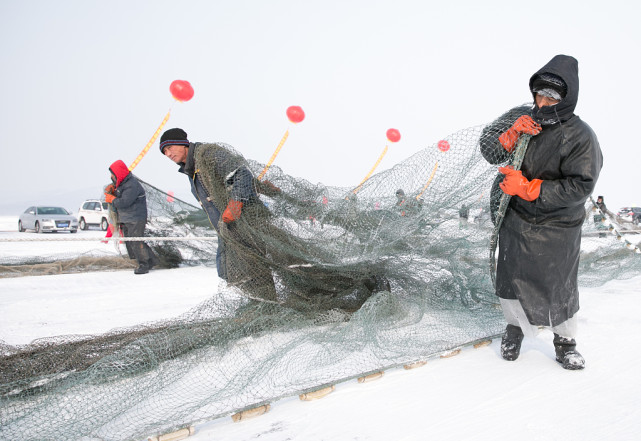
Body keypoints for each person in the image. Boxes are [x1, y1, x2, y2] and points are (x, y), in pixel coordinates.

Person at [479, 55, 603, 370]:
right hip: (516, 218)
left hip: (558, 225)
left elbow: (580, 185)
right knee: (511, 280)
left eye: (553, 97)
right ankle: (514, 328)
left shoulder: (580, 135)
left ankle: (565, 343)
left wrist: (531, 188)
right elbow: (487, 148)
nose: (544, 101)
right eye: (540, 93)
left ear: (568, 97)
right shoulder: (521, 114)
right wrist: (507, 136)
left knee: (559, 284)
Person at [159, 128, 278, 301]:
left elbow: (241, 173)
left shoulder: (207, 154)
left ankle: (267, 305)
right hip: (227, 229)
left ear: (182, 143)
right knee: (227, 269)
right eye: (164, 152)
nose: (168, 154)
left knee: (254, 265)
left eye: (169, 148)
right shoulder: (190, 170)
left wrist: (237, 202)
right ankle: (259, 303)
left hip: (245, 221)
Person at [105, 160, 159, 275]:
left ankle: (144, 264)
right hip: (127, 218)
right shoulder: (123, 184)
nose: (111, 176)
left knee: (135, 242)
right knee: (131, 242)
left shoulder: (131, 185)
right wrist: (113, 190)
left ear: (118, 173)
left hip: (135, 218)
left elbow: (124, 202)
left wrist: (112, 199)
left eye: (112, 174)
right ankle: (151, 260)